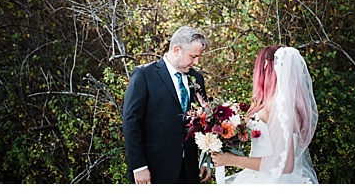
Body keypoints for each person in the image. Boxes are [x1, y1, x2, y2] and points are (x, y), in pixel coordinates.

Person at [211, 46, 320, 184]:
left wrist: (232, 160)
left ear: (266, 66)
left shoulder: (277, 105)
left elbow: (286, 164)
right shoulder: (281, 103)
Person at [123, 26, 211, 184]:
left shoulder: (197, 79)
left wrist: (205, 159)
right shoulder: (144, 75)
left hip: (190, 170)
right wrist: (138, 166)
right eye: (193, 56)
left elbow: (204, 122)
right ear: (177, 50)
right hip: (154, 169)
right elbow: (131, 123)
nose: (196, 62)